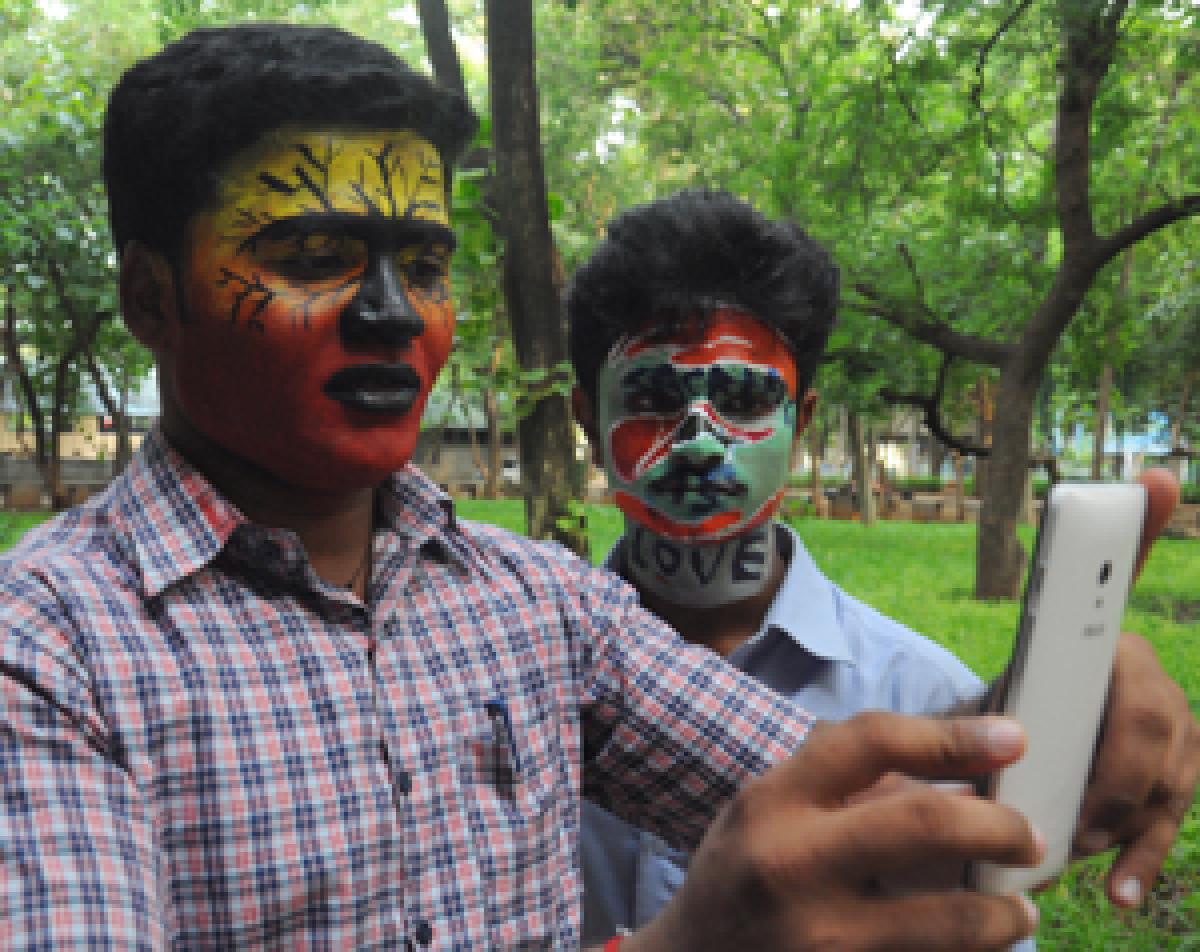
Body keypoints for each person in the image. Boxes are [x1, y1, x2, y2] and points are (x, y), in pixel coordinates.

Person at [0, 23, 1193, 952]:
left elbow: (843, 806)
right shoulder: (49, 649)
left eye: (422, 263)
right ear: (152, 297)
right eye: (312, 256)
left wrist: (1043, 727)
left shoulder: (532, 602)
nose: (389, 312)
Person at [566, 189, 1198, 943]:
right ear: (588, 422)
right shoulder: (500, 688)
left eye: (742, 400)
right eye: (654, 398)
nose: (702, 442)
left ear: (800, 423)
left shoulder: (929, 699)